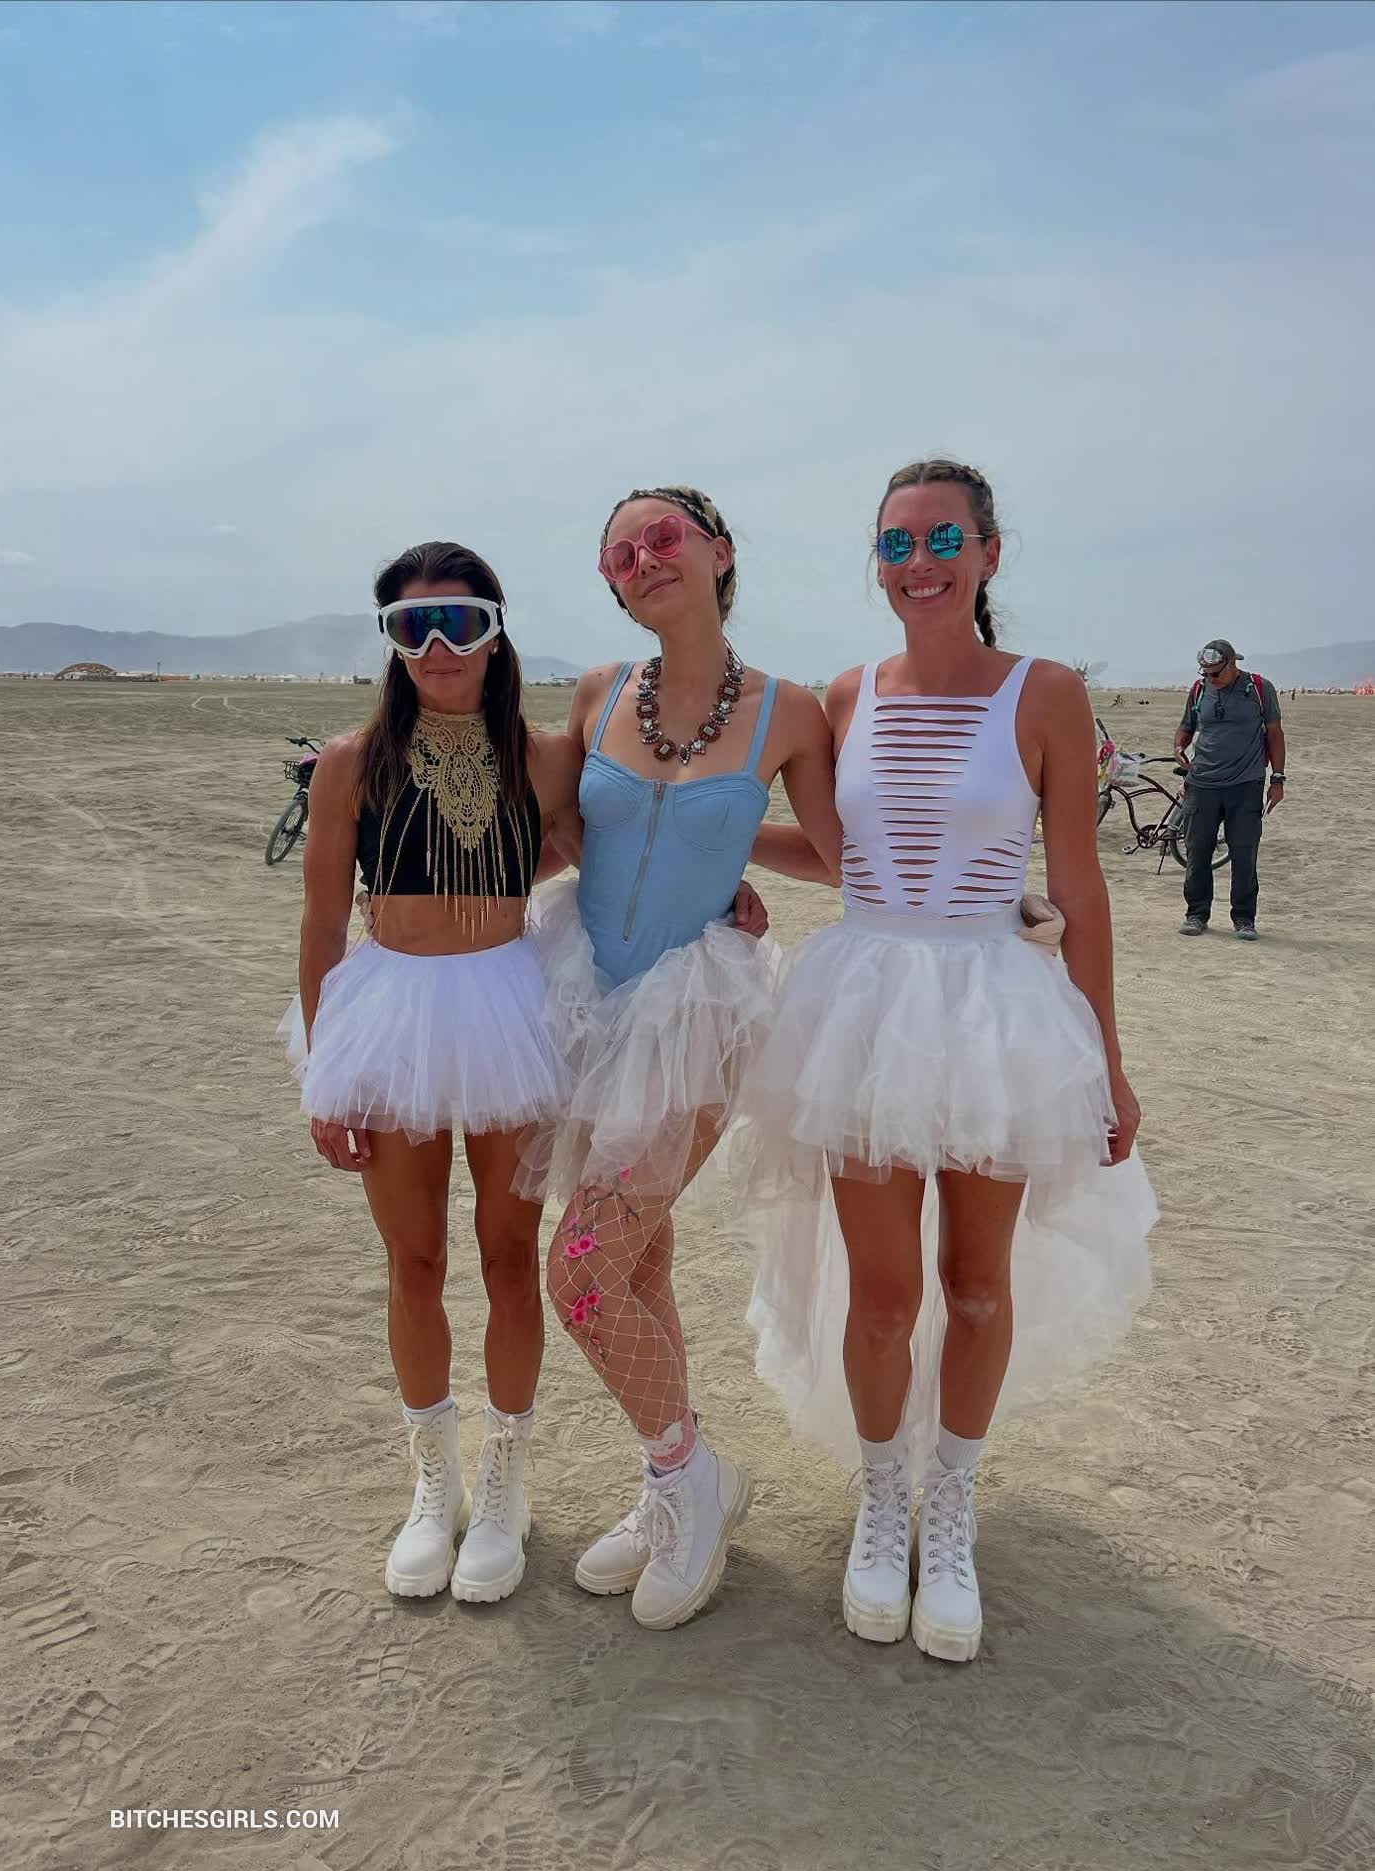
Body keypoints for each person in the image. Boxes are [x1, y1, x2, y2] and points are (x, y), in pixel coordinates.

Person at [739, 460, 1156, 1662]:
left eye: (939, 541)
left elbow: (1076, 886)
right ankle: (883, 1500)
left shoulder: (1044, 692)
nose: (915, 564)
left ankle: (952, 1503)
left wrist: (1106, 1060)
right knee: (880, 1296)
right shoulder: (844, 694)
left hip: (991, 1011)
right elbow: (837, 855)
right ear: (875, 563)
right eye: (893, 544)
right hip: (863, 1008)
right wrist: (714, 843)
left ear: (987, 554)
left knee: (975, 1286)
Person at [525, 483, 842, 1632]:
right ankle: (678, 1485)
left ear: (717, 549)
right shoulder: (598, 692)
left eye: (662, 536)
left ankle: (687, 1475)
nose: (642, 559)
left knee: (582, 1272)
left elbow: (841, 854)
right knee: (639, 1263)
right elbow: (559, 830)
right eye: (619, 553)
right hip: (583, 999)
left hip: (697, 1016)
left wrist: (732, 858)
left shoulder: (788, 711)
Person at [280, 540, 579, 1606]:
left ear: (496, 632)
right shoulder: (351, 762)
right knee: (413, 1260)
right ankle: (432, 1479)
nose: (440, 644)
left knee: (509, 1256)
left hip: (511, 1010)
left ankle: (503, 1483)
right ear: (393, 643)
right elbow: (323, 923)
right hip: (390, 1016)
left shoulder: (546, 758)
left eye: (461, 620)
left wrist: (723, 893)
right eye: (414, 625)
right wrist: (326, 1069)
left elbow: (610, 853)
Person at [1174, 640, 1284, 941]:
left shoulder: (1260, 689)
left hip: (1245, 785)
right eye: (1205, 673)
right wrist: (1178, 747)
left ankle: (1244, 919)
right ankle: (1196, 914)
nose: (1210, 678)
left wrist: (1277, 779)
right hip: (1202, 784)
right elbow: (1186, 727)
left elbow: (1275, 734)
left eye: (1215, 673)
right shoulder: (1199, 690)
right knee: (1197, 852)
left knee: (1245, 854)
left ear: (1232, 663)